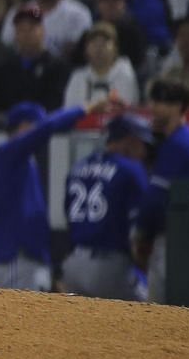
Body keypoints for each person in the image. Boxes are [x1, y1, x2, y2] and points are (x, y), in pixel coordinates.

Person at [0, 99, 106, 291]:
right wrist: (85, 108)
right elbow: (47, 127)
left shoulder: (23, 162)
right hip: (15, 259)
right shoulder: (6, 153)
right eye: (35, 124)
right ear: (23, 126)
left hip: (29, 260)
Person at [59, 112, 156, 300]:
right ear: (130, 141)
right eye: (143, 145)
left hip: (73, 266)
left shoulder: (78, 167)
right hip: (109, 267)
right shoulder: (131, 170)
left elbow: (68, 215)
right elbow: (139, 228)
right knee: (153, 311)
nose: (144, 153)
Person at [145, 78, 189, 302]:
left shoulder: (176, 144)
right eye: (153, 101)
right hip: (184, 236)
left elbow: (156, 199)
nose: (153, 108)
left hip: (176, 239)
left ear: (178, 107)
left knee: (161, 310)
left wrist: (141, 232)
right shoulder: (186, 139)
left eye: (161, 102)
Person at [62, 21, 138, 113]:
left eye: (104, 44)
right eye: (94, 44)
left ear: (115, 49)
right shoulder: (77, 77)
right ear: (86, 50)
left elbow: (127, 110)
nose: (99, 49)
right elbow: (68, 112)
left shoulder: (125, 75)